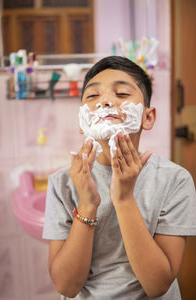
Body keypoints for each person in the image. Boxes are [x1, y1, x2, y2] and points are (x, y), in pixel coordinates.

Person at [43, 56, 196, 300]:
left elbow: (157, 285)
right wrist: (86, 204)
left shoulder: (175, 180)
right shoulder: (63, 183)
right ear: (82, 120)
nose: (104, 101)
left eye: (122, 94)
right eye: (92, 96)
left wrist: (124, 199)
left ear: (148, 117)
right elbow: (67, 286)